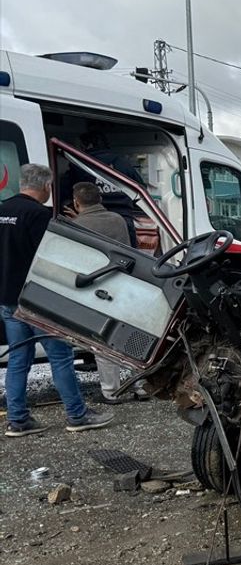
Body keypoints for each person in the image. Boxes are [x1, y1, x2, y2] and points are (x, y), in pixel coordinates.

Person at [1, 164, 114, 437]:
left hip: (7, 299)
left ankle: (18, 420)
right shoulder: (39, 215)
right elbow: (52, 258)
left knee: (18, 360)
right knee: (60, 357)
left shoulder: (2, 209)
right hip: (38, 300)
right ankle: (77, 415)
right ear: (45, 187)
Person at [68, 183, 147, 404]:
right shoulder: (118, 220)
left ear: (76, 202)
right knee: (131, 337)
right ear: (100, 199)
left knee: (103, 340)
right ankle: (141, 387)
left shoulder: (76, 225)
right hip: (123, 285)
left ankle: (111, 391)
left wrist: (74, 221)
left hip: (97, 290)